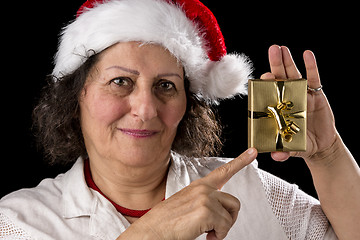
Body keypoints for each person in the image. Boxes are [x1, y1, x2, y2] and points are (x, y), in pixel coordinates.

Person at [0, 0, 359, 239]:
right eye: (120, 82)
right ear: (77, 95)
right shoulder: (18, 222)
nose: (146, 109)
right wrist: (152, 234)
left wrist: (328, 155)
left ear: (188, 103)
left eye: (166, 86)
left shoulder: (251, 189)